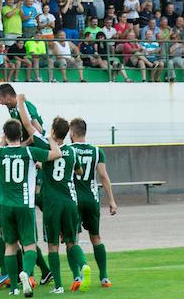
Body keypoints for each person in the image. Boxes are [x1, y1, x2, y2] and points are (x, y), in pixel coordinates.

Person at [0, 116, 61, 297]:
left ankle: (14, 287)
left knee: (10, 246)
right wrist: (50, 138)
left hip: (5, 206)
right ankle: (26, 273)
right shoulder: (30, 152)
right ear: (21, 135)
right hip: (24, 205)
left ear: (5, 134)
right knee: (29, 245)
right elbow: (56, 154)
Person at [39, 117, 89, 293]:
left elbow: (38, 163)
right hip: (70, 201)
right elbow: (80, 171)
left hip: (52, 203)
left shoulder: (46, 149)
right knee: (71, 242)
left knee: (53, 245)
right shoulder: (72, 151)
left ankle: (59, 286)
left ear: (53, 131)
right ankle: (83, 266)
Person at [68, 118, 117, 288]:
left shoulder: (68, 150)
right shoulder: (97, 151)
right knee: (96, 237)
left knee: (72, 239)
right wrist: (111, 200)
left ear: (72, 133)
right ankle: (104, 277)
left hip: (73, 199)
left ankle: (77, 276)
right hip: (92, 198)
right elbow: (103, 176)